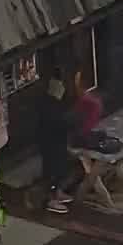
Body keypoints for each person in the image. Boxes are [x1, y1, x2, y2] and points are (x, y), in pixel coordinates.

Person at [36, 77, 73, 214]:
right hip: (51, 145)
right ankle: (50, 200)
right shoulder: (50, 107)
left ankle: (58, 192)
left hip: (57, 143)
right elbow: (57, 124)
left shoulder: (54, 104)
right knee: (52, 172)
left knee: (59, 170)